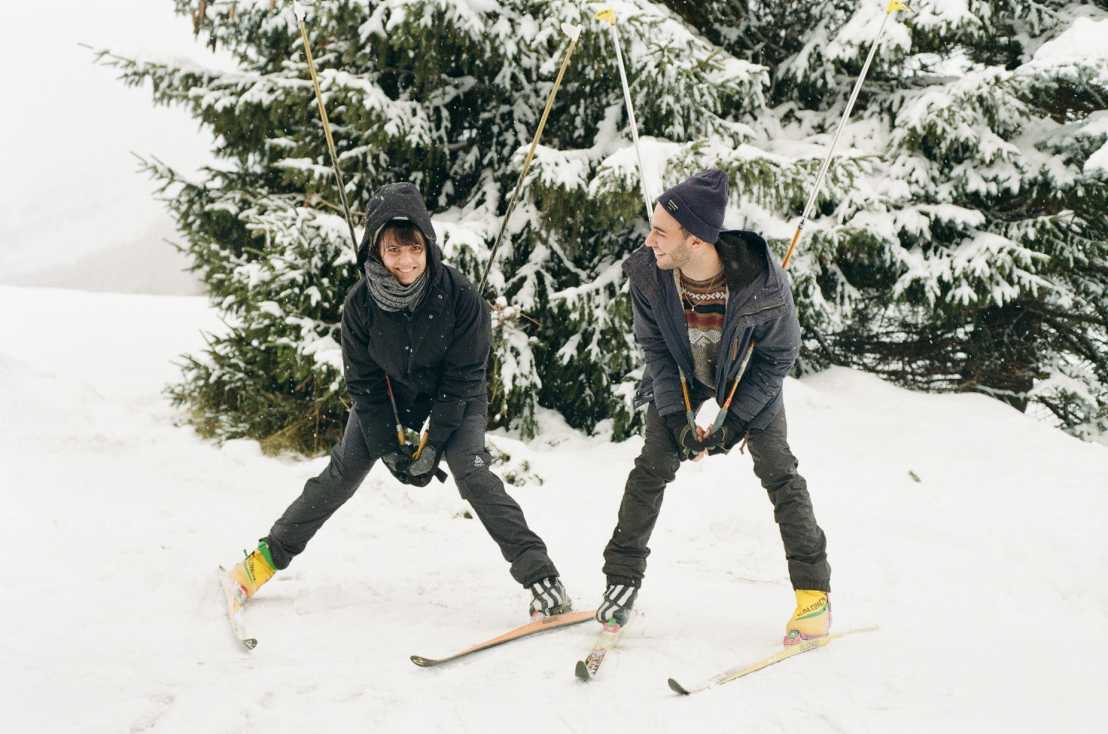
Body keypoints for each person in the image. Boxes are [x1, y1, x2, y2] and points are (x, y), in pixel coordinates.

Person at [225, 182, 571, 619]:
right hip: (390, 398)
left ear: (428, 245)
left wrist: (435, 442)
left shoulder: (462, 298)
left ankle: (543, 579)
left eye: (414, 249)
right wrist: (388, 444)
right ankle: (261, 563)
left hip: (456, 397)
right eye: (393, 251)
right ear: (376, 250)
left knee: (473, 472)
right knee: (340, 474)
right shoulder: (360, 306)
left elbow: (465, 376)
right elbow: (364, 384)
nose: (406, 262)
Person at [595, 170, 831, 645]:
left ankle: (813, 597)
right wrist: (681, 421)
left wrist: (735, 420)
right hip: (683, 371)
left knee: (779, 470)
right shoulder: (649, 274)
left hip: (747, 375)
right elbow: (657, 350)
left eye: (661, 231)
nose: (650, 240)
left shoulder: (764, 286)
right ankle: (621, 581)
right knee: (652, 466)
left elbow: (780, 356)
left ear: (698, 240)